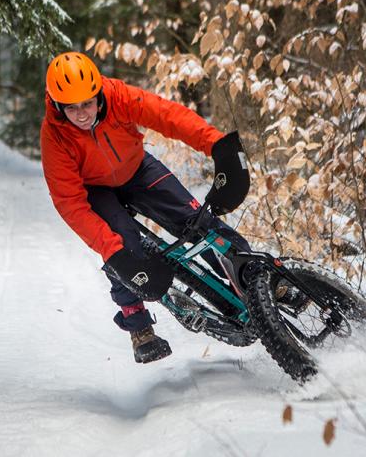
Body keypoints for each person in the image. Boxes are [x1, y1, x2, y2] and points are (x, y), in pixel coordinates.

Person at [40, 51, 251, 364]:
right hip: (96, 190)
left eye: (87, 103)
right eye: (72, 108)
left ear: (98, 93)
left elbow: (167, 116)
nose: (82, 114)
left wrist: (216, 145)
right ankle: (139, 326)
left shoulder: (118, 96)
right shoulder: (54, 135)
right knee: (122, 246)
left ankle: (256, 277)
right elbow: (70, 202)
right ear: (58, 106)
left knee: (196, 221)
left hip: (137, 168)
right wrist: (113, 251)